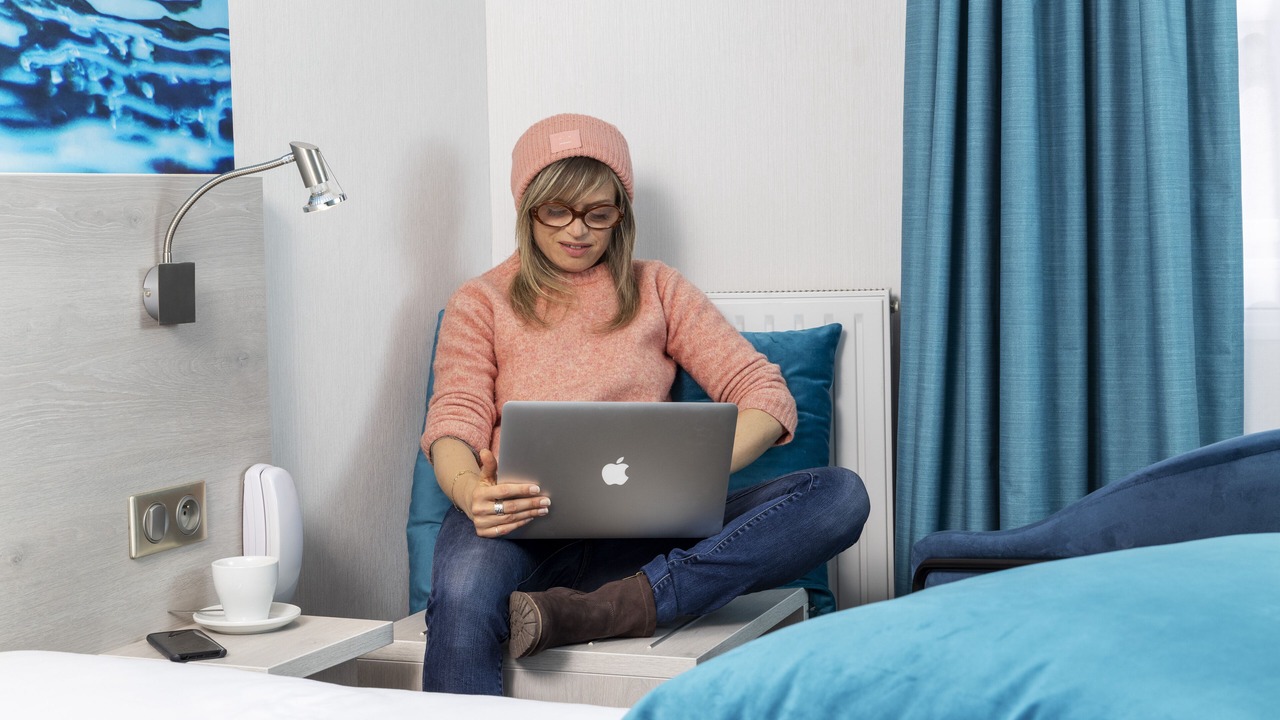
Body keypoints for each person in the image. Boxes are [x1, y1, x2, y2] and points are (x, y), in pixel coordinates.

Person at [421, 113, 870, 695]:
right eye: (556, 210)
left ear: (621, 215)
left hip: (648, 533)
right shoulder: (481, 300)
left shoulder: (658, 287)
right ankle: (612, 603)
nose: (577, 230)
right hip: (516, 526)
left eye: (598, 213)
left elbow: (764, 393)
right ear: (527, 209)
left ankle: (613, 608)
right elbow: (454, 419)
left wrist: (692, 469)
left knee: (839, 496)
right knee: (461, 597)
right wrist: (469, 492)